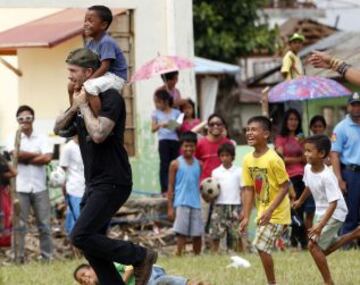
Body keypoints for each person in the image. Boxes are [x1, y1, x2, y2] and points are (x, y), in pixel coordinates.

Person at [54, 48, 156, 285]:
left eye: (73, 71)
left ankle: (140, 256)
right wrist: (75, 105)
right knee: (93, 246)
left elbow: (99, 134)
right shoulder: (80, 100)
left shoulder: (111, 98)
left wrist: (84, 107)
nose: (69, 76)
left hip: (113, 179)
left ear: (89, 72)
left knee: (80, 235)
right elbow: (59, 129)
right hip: (94, 183)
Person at [240, 116, 291, 285]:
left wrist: (270, 210)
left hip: (277, 212)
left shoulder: (274, 159)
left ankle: (272, 283)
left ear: (266, 134)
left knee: (261, 246)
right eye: (248, 130)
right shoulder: (247, 160)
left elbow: (285, 186)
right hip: (263, 212)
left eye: (254, 129)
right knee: (262, 247)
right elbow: (248, 189)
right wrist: (246, 216)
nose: (249, 133)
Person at [293, 135, 348, 285]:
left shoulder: (328, 176)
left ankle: (328, 282)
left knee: (313, 246)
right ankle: (355, 234)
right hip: (322, 212)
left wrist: (320, 225)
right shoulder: (307, 168)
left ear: (321, 154)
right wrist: (300, 200)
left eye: (309, 151)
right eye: (305, 150)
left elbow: (334, 203)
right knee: (320, 251)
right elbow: (309, 186)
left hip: (336, 212)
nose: (306, 154)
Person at [6, 105, 53, 263]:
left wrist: (24, 158)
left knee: (45, 225)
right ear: (17, 121)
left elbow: (47, 159)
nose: (25, 121)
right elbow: (15, 155)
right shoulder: (12, 136)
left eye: (28, 118)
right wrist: (37, 156)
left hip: (40, 187)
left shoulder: (42, 137)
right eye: (21, 119)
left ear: (33, 119)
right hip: (20, 188)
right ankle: (18, 258)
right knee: (19, 225)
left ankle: (47, 258)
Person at [275, 108, 313, 249]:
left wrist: (302, 144)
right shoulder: (281, 138)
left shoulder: (302, 138)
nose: (293, 122)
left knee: (300, 209)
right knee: (293, 210)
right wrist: (298, 158)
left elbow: (307, 158)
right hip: (288, 178)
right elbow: (280, 159)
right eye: (290, 119)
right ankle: (297, 240)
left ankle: (299, 240)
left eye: (296, 119)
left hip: (303, 177)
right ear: (286, 121)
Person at [326, 93, 360, 242]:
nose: (357, 108)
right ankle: (346, 244)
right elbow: (334, 154)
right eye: (353, 105)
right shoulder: (341, 128)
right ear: (348, 107)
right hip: (351, 173)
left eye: (359, 105)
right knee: (351, 212)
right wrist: (339, 179)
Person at [167, 132, 203, 256]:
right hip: (181, 202)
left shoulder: (199, 164)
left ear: (195, 146)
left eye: (191, 146)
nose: (189, 149)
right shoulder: (175, 164)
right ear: (181, 147)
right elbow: (170, 186)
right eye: (186, 146)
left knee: (197, 233)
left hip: (196, 203)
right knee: (181, 232)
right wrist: (170, 207)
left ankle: (197, 255)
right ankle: (179, 253)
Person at [195, 114, 231, 231]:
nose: (215, 126)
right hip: (204, 187)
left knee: (220, 221)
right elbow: (195, 163)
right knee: (202, 220)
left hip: (224, 188)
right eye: (212, 124)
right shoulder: (201, 144)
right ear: (208, 127)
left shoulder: (228, 144)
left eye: (218, 124)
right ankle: (202, 247)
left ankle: (221, 248)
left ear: (223, 126)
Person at [209, 143, 243, 252]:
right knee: (216, 232)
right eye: (222, 155)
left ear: (232, 157)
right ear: (219, 157)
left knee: (236, 232)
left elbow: (242, 189)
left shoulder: (239, 171)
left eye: (227, 155)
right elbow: (213, 189)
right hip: (219, 205)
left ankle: (239, 253)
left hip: (235, 205)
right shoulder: (215, 172)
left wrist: (243, 208)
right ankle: (214, 252)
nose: (225, 158)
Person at [152, 89, 181, 195]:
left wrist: (171, 124)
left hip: (174, 140)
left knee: (175, 164)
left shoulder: (176, 112)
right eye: (155, 102)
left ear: (165, 101)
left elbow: (179, 127)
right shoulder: (156, 113)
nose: (156, 104)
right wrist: (160, 124)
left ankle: (175, 188)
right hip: (163, 141)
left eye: (158, 102)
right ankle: (164, 189)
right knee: (164, 165)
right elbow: (153, 129)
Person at [73, 263, 209, 285]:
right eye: (81, 281)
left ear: (92, 268)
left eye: (84, 274)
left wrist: (123, 282)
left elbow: (130, 266)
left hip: (145, 274)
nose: (84, 279)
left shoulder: (108, 267)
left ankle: (188, 283)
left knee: (159, 282)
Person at [59, 135, 85, 235]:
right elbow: (62, 170)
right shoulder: (68, 148)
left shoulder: (89, 144)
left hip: (90, 189)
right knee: (77, 221)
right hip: (75, 189)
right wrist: (64, 190)